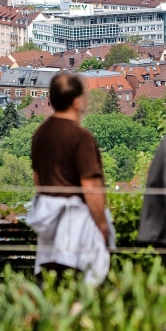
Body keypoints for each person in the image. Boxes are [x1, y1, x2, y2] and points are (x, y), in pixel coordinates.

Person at [28, 72, 115, 285]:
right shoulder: (81, 137)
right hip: (76, 222)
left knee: (52, 281)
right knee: (84, 280)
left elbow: (37, 177)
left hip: (47, 218)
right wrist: (102, 224)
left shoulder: (41, 133)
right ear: (77, 102)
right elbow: (91, 185)